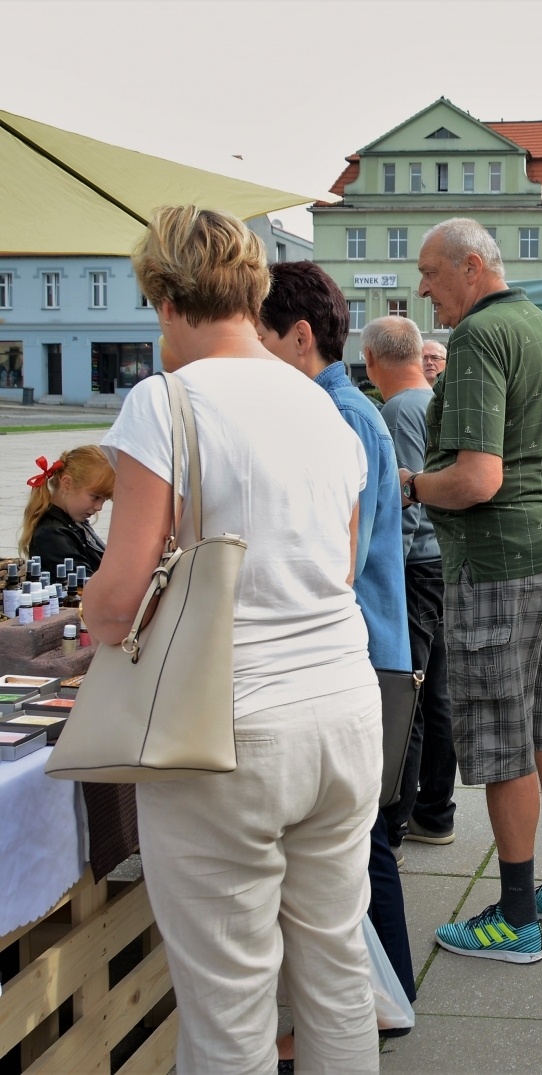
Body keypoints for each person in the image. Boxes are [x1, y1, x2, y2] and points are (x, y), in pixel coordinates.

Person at [89, 206, 382, 1072]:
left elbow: (118, 595)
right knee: (334, 971)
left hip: (227, 722)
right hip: (342, 704)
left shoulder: (165, 400)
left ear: (167, 299)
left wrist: (86, 618)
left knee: (228, 1004)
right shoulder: (326, 408)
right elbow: (341, 559)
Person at [403, 217, 542, 963]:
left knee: (500, 734)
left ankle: (515, 913)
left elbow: (477, 479)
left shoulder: (481, 338)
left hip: (497, 562)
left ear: (472, 267)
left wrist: (412, 485)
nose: (423, 289)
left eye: (430, 273)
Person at [257, 262, 415, 1036]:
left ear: (298, 336)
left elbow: (337, 562)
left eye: (259, 336)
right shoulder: (343, 408)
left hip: (363, 649)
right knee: (363, 840)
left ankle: (386, 1001)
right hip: (370, 646)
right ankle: (386, 1000)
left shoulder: (336, 416)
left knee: (364, 845)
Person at [363, 316, 458, 851]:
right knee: (436, 692)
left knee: (409, 693)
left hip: (416, 566)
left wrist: (386, 576)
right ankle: (435, 809)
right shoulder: (434, 400)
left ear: (373, 362)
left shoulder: (399, 410)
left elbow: (406, 500)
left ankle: (398, 818)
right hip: (442, 562)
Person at [18, 445, 114, 576]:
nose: (99, 507)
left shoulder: (74, 521)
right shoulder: (52, 534)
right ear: (67, 484)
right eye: (95, 497)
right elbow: (82, 586)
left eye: (104, 500)